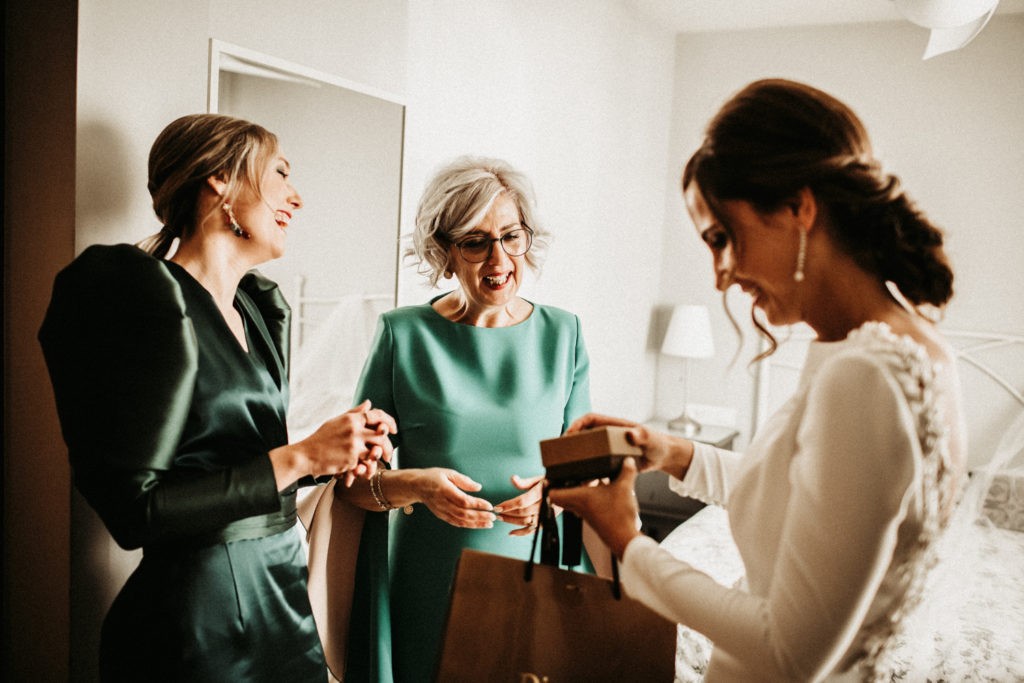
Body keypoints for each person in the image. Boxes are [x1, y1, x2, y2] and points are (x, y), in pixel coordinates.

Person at [549, 78, 967, 682]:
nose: (721, 276)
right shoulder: (912, 349)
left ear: (799, 207)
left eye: (723, 238)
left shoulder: (864, 377)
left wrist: (628, 543)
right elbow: (814, 502)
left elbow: (787, 651)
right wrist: (673, 452)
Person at [38, 113, 396, 682]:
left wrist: (329, 453)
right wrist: (300, 457)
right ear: (220, 182)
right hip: (199, 623)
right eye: (280, 172)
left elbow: (236, 471)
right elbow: (139, 513)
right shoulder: (149, 303)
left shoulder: (255, 310)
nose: (296, 198)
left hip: (279, 601)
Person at [334, 156, 593, 682]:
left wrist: (552, 495)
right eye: (475, 242)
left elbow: (586, 477)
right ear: (445, 252)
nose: (499, 259)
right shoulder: (401, 336)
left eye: (511, 237)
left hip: (536, 575)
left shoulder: (564, 335)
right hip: (428, 583)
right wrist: (415, 485)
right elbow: (352, 488)